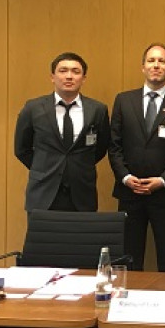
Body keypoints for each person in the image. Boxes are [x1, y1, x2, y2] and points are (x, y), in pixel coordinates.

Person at [108, 43, 165, 272]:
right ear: (143, 67)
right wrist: (125, 177)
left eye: (162, 61)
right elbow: (114, 145)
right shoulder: (124, 100)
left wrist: (163, 180)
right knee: (129, 259)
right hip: (130, 192)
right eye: (151, 60)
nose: (156, 65)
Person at [15, 52, 110, 212]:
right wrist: (44, 167)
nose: (69, 76)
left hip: (82, 193)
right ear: (52, 77)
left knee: (81, 230)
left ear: (84, 78)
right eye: (63, 71)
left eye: (76, 71)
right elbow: (21, 149)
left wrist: (76, 166)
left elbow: (101, 147)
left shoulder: (97, 110)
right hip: (42, 192)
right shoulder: (33, 108)